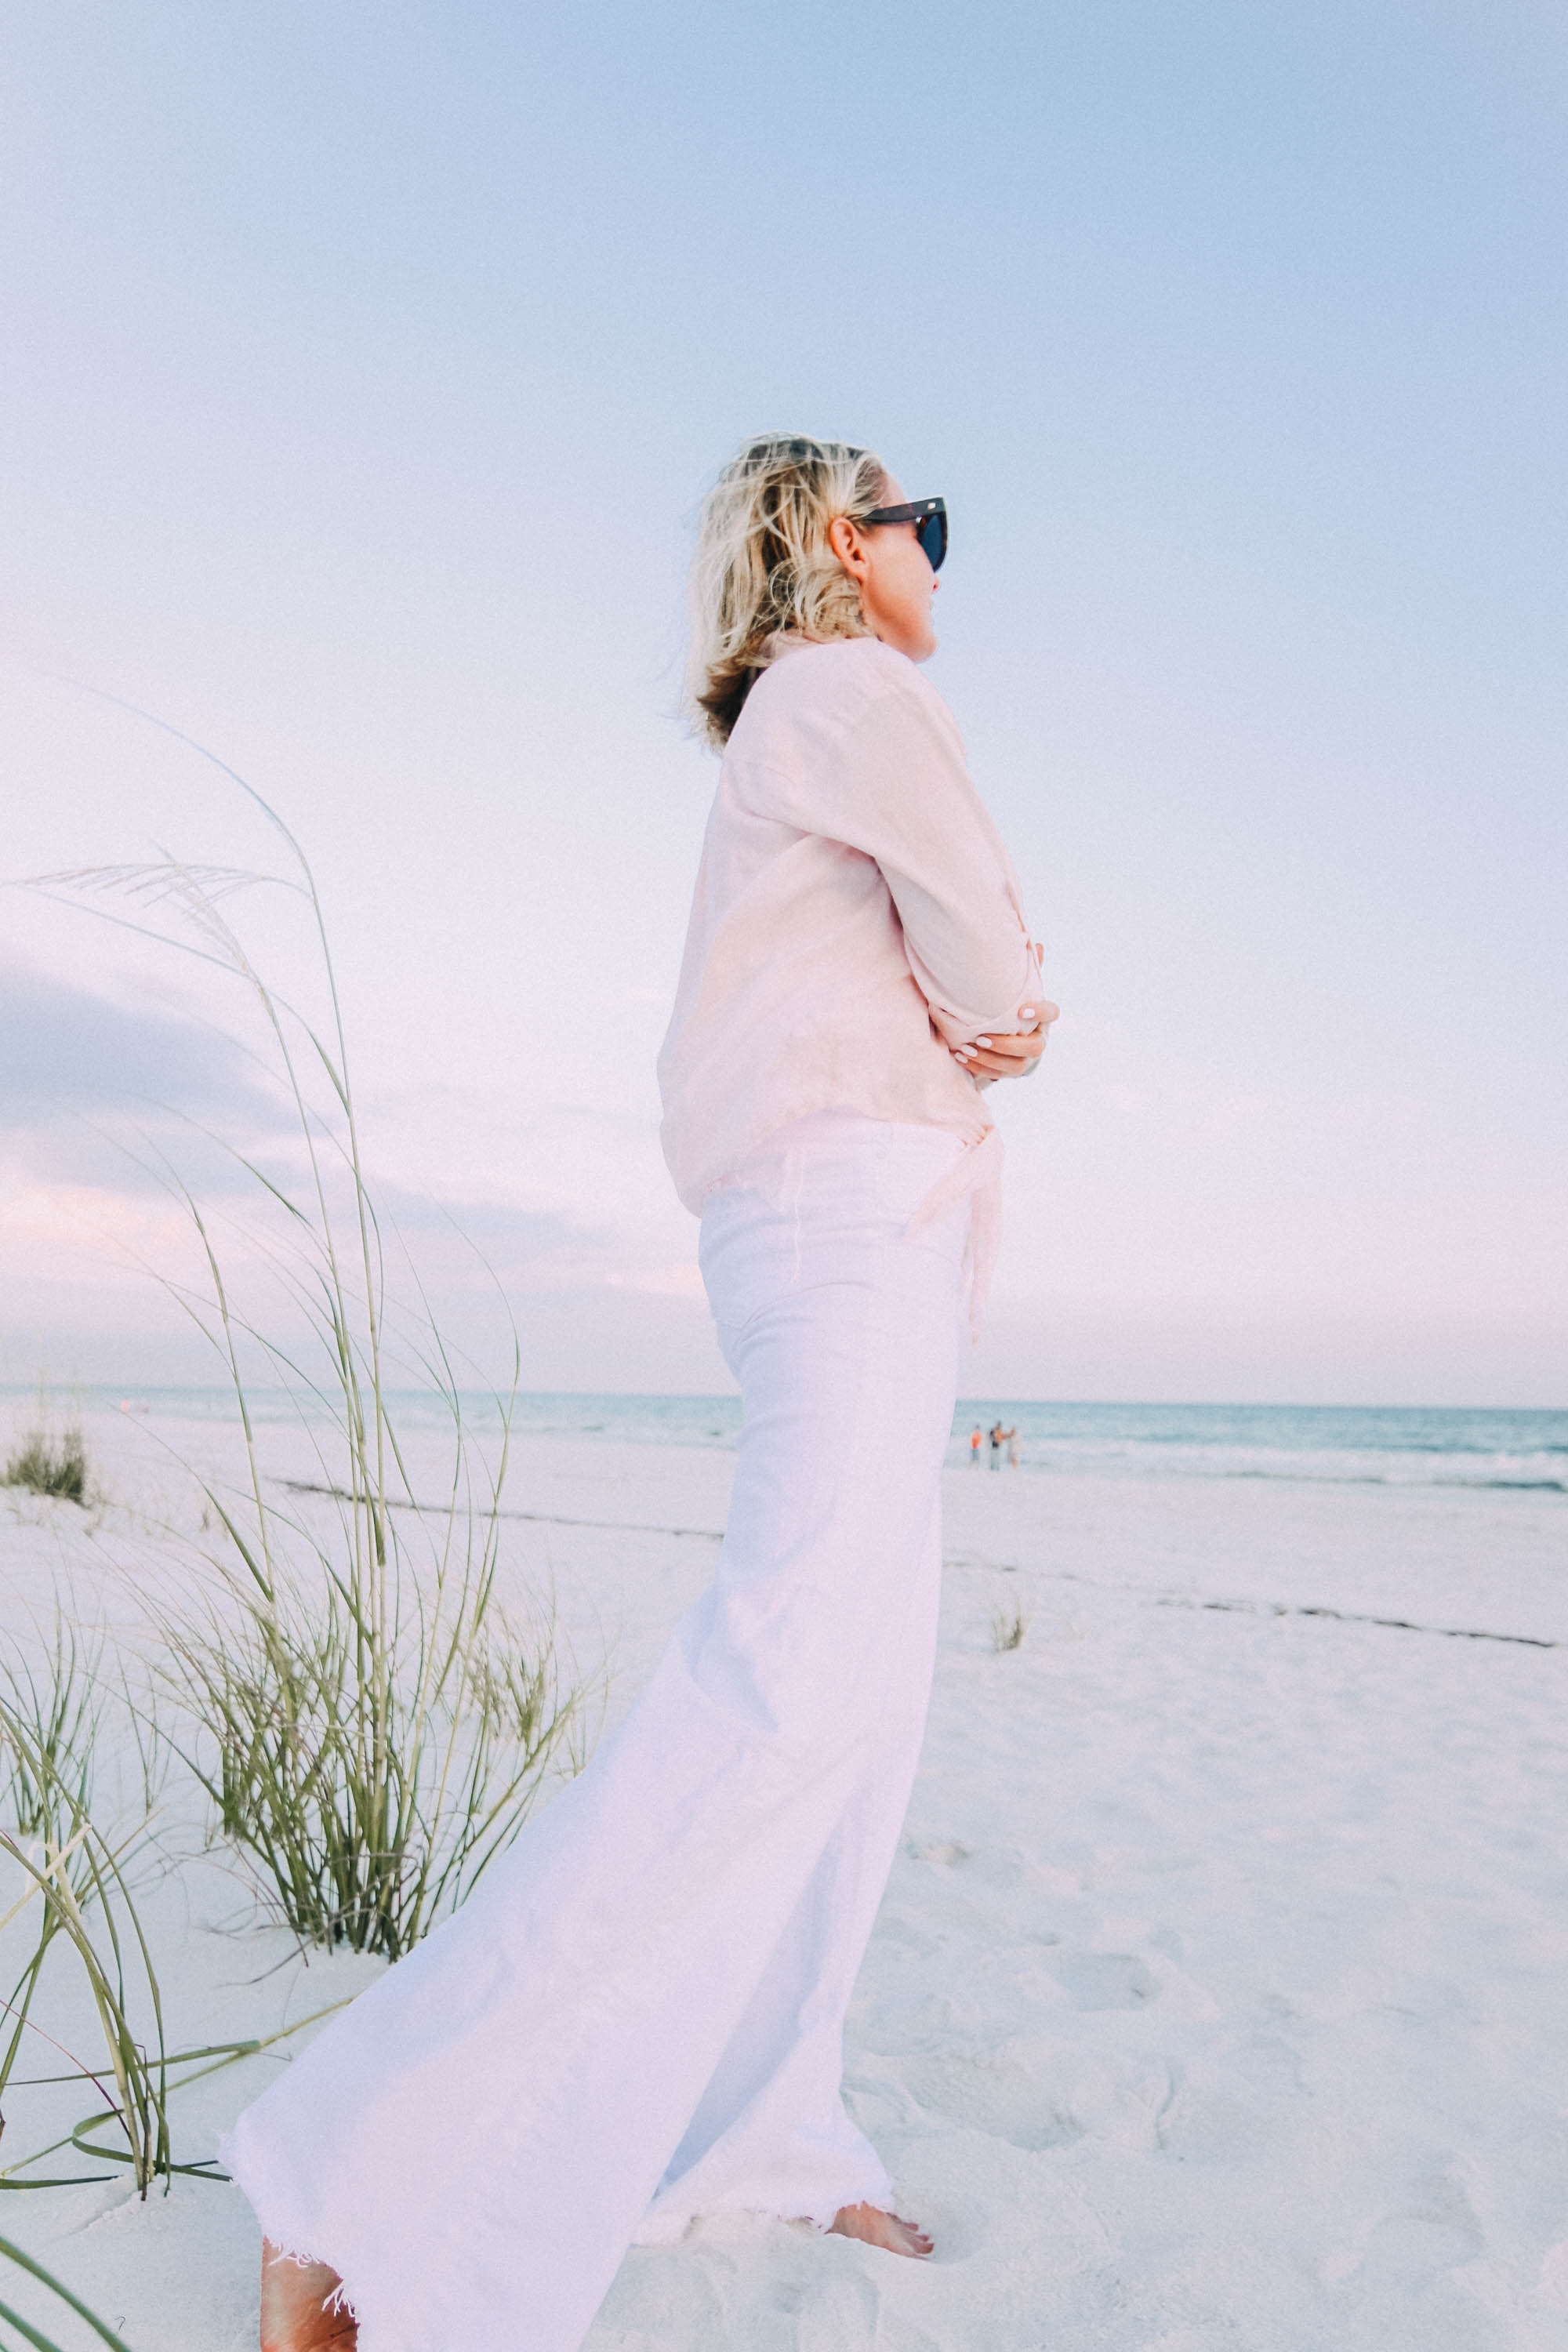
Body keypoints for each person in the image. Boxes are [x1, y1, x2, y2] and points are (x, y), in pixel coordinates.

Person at [229, 432, 1054, 2352]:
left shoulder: (796, 724)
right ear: (831, 550)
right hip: (854, 1212)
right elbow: (994, 960)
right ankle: (351, 2182)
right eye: (914, 523)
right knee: (781, 1698)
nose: (939, 553)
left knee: (849, 1712)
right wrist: (1004, 1012)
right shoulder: (851, 689)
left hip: (847, 1225)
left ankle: (768, 2129)